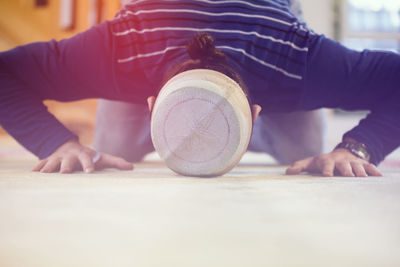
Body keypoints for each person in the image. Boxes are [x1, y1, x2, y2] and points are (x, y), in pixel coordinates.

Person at [1, 0, 398, 177]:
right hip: (147, 39)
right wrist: (56, 143)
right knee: (111, 155)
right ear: (150, 103)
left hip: (272, 48)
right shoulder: (118, 50)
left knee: (307, 158)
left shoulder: (298, 60)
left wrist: (357, 149)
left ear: (257, 110)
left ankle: (258, 137)